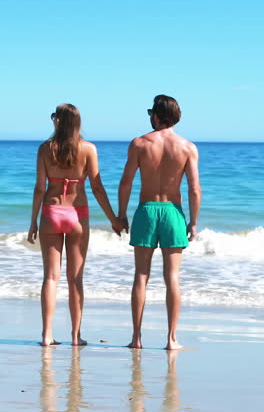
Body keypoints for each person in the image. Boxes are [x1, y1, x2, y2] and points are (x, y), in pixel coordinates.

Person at [28, 104, 123, 346]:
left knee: (50, 278)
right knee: (75, 279)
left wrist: (33, 222)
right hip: (77, 214)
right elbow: (98, 188)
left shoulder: (45, 149)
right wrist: (114, 219)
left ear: (58, 121)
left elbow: (40, 188)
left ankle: (47, 335)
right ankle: (75, 336)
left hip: (51, 211)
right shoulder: (89, 149)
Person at [118, 94, 201, 350]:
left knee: (141, 275)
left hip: (146, 209)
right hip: (173, 212)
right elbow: (194, 189)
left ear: (157, 115)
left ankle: (136, 338)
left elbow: (126, 182)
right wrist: (194, 222)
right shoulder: (187, 147)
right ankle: (171, 339)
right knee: (172, 277)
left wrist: (121, 215)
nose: (149, 117)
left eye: (150, 112)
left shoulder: (139, 143)